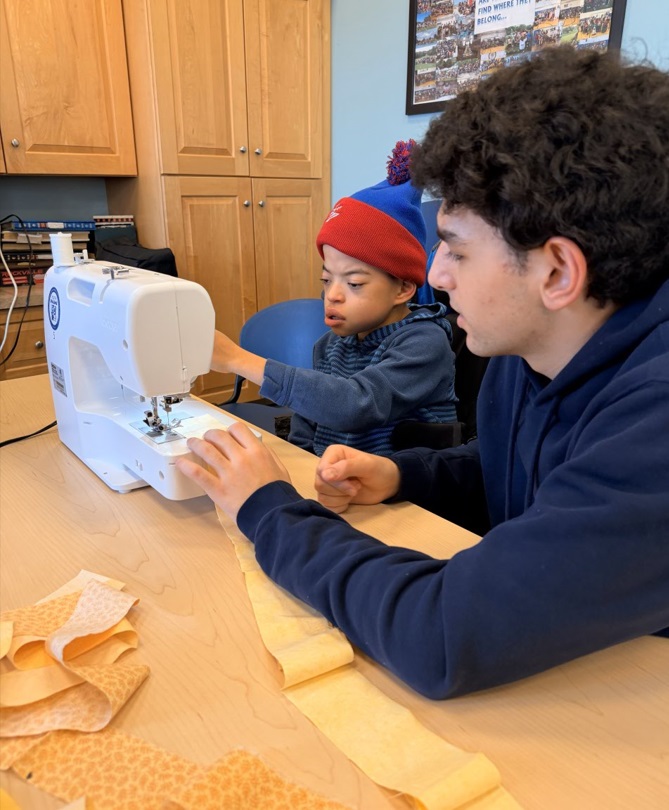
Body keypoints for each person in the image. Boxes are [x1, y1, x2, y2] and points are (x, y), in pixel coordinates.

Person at [177, 47, 669, 699]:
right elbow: (530, 474)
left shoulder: (656, 419)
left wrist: (268, 511)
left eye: (457, 251)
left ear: (556, 272)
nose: (435, 275)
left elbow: (438, 635)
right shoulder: (530, 349)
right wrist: (407, 474)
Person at [210, 140, 458, 457]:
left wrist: (237, 359)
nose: (333, 295)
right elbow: (308, 424)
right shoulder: (329, 346)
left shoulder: (424, 342)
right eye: (326, 280)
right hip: (341, 489)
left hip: (406, 498)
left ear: (403, 289)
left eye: (354, 283)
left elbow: (355, 404)